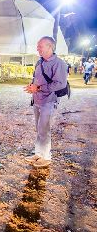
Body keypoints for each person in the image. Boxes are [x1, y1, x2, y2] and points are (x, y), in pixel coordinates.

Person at [24, 36, 68, 168]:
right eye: (38, 46)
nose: (37, 48)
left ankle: (46, 157)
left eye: (40, 46)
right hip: (37, 100)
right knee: (39, 129)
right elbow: (36, 79)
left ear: (50, 47)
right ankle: (38, 154)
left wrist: (38, 88)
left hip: (49, 101)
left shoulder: (59, 63)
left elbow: (60, 84)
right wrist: (32, 86)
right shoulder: (40, 62)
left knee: (44, 129)